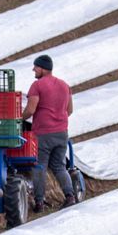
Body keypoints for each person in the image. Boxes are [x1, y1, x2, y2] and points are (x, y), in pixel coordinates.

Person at [21, 54, 76, 210]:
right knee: (59, 166)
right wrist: (57, 120)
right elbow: (70, 110)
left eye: (36, 67)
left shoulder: (37, 86)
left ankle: (39, 202)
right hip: (62, 133)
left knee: (39, 166)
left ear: (43, 68)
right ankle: (70, 196)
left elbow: (30, 110)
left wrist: (17, 119)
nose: (33, 69)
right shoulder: (65, 85)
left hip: (43, 134)